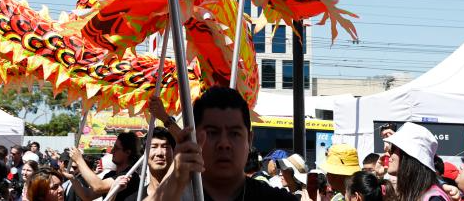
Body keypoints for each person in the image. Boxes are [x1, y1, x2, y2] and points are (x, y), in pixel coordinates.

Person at [148, 86, 297, 201]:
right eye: (212, 133)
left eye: (234, 134)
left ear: (249, 140)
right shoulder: (174, 195)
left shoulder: (275, 199)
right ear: (195, 138)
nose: (224, 143)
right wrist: (174, 179)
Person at [382, 122, 450, 201]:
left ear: (408, 155)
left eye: (393, 149)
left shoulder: (434, 198)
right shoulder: (413, 192)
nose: (388, 153)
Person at [68, 132, 141, 201]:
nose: (112, 151)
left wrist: (79, 160)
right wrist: (72, 178)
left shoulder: (130, 176)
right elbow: (87, 196)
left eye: (116, 148)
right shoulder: (110, 175)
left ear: (128, 152)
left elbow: (98, 186)